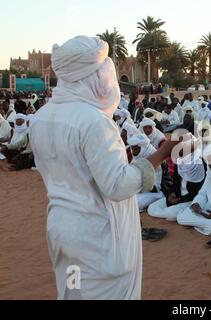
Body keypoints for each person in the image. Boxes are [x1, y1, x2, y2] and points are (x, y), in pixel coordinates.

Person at [28, 36, 180, 300]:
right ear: (94, 76)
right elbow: (118, 186)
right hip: (97, 241)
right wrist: (162, 154)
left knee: (73, 290)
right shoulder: (93, 121)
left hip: (63, 231)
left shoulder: (41, 117)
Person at [148, 133, 206, 221]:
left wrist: (180, 200)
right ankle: (176, 213)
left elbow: (200, 192)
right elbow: (175, 183)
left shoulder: (200, 165)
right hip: (178, 197)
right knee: (152, 208)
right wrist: (172, 194)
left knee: (170, 213)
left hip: (190, 200)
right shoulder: (180, 162)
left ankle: (178, 213)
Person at [128, 134, 165, 212]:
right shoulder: (138, 156)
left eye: (135, 149)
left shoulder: (153, 157)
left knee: (134, 203)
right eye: (132, 149)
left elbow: (153, 186)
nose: (133, 152)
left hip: (156, 192)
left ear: (143, 148)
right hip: (140, 190)